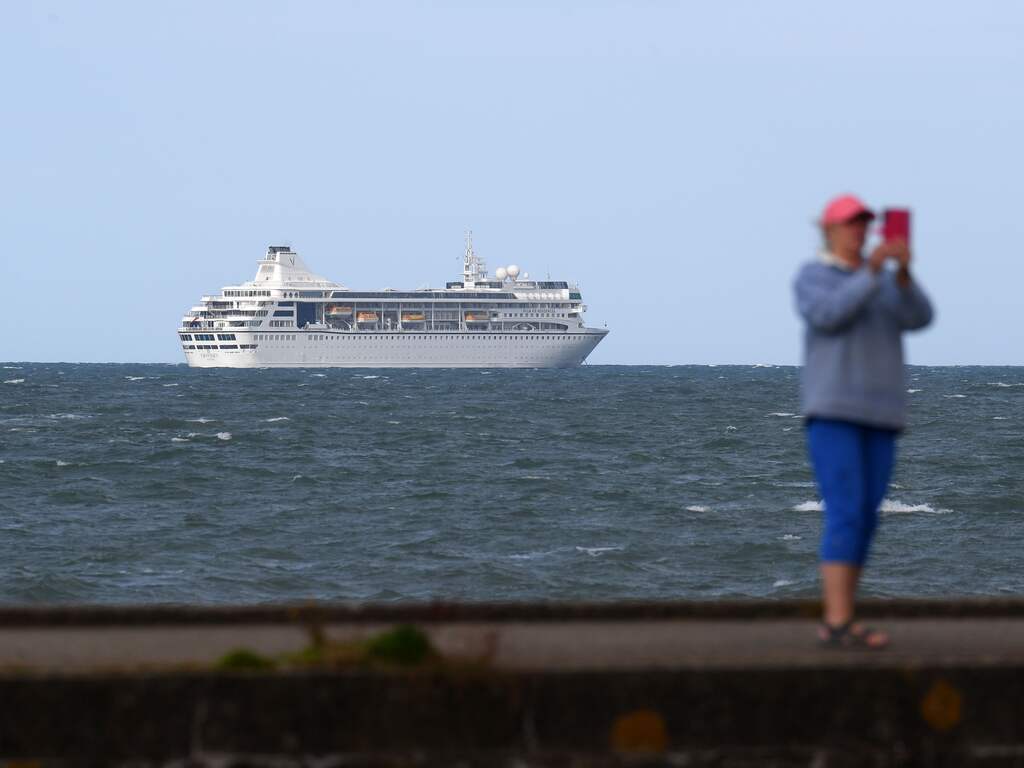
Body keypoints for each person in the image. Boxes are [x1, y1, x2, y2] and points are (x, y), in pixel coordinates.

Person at [794, 194, 934, 648]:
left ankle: (845, 616)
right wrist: (873, 272)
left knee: (866, 518)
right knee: (846, 511)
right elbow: (828, 315)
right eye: (851, 224)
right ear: (829, 229)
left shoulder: (886, 283)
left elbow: (920, 317)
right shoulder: (814, 276)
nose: (860, 230)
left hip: (881, 415)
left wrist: (904, 274)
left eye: (864, 224)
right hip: (834, 412)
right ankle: (837, 622)